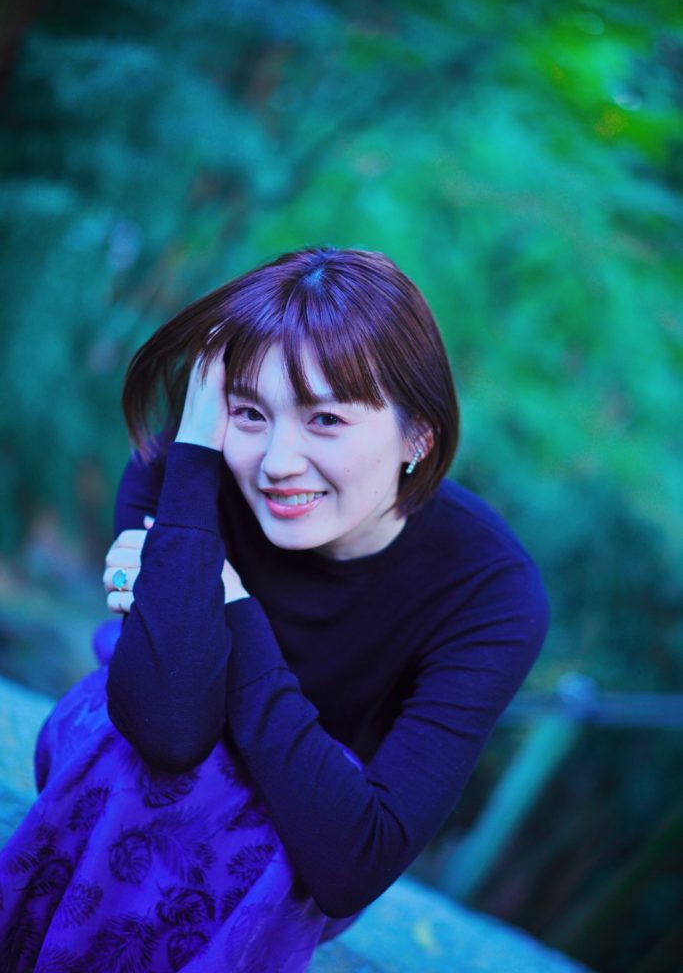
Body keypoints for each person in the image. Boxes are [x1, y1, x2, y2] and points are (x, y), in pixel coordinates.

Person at [0, 246, 549, 971]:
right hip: (127, 757)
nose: (278, 462)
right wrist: (195, 455)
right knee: (125, 749)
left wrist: (226, 599)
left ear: (418, 434)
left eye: (325, 419)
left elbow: (354, 860)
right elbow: (164, 728)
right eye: (249, 412)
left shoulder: (490, 591)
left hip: (295, 848)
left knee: (257, 834)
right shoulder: (183, 471)